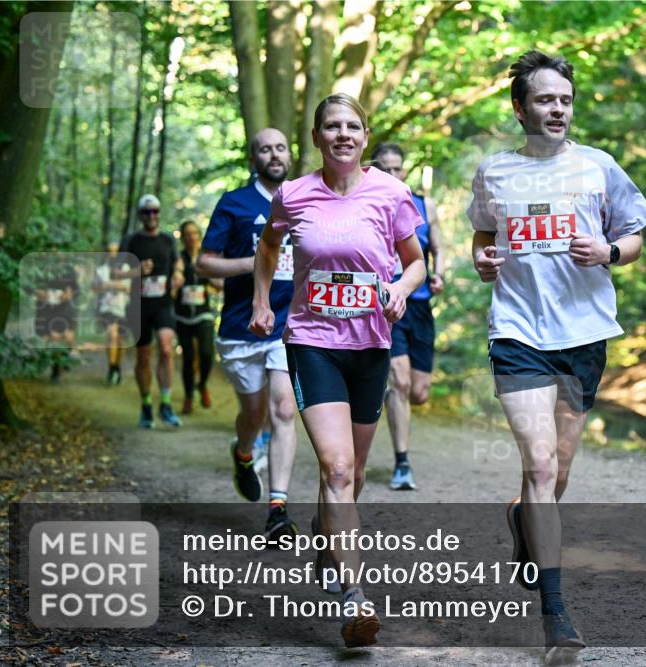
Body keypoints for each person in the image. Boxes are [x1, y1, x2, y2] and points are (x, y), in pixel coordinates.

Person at [467, 50, 646, 661]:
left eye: (565, 100)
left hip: (583, 335)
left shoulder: (599, 167)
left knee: (558, 472)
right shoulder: (494, 172)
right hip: (517, 332)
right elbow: (482, 237)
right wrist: (482, 258)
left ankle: (525, 521)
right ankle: (556, 617)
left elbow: (635, 235)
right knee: (541, 466)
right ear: (520, 107)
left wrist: (610, 253)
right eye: (546, 99)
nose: (558, 109)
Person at [249, 93, 426, 649]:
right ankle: (356, 598)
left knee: (354, 472)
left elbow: (416, 260)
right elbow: (268, 246)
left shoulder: (392, 193)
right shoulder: (294, 194)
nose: (343, 134)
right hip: (312, 341)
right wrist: (261, 299)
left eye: (352, 126)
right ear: (317, 137)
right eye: (332, 126)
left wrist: (399, 287)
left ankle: (328, 547)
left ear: (365, 136)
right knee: (338, 468)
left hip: (371, 343)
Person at [197, 128, 299, 539]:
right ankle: (243, 453)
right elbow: (205, 264)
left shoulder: (306, 198)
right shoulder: (234, 203)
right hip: (241, 328)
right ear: (252, 158)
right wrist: (259, 262)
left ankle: (278, 509)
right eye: (264, 149)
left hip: (289, 325)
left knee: (284, 409)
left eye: (280, 147)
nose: (273, 155)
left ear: (289, 153)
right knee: (253, 415)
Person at [370, 142, 445, 490]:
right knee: (399, 380)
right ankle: (402, 462)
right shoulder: (367, 202)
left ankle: (393, 395)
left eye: (396, 168)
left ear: (404, 170)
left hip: (421, 304)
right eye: (384, 167)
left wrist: (439, 273)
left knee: (419, 392)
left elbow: (438, 248)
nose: (391, 174)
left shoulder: (422, 204)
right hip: (388, 303)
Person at [118, 194, 184, 428]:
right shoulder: (131, 240)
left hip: (164, 303)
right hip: (138, 307)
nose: (152, 216)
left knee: (166, 349)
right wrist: (137, 270)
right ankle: (146, 404)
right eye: (147, 212)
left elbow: (178, 262)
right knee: (144, 356)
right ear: (140, 215)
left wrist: (178, 274)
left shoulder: (167, 240)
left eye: (155, 211)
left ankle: (165, 404)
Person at [175, 221, 217, 414]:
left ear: (199, 236)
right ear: (183, 238)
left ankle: (202, 384)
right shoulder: (178, 259)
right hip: (182, 315)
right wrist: (175, 282)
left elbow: (218, 282)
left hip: (203, 313)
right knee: (188, 357)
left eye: (194, 233)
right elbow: (173, 284)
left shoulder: (206, 258)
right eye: (187, 234)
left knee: (207, 352)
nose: (191, 237)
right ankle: (189, 396)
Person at [34, 253, 79, 382]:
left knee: (61, 336)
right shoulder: (40, 268)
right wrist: (38, 292)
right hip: (46, 308)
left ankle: (57, 366)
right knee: (51, 337)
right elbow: (30, 286)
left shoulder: (69, 270)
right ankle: (58, 364)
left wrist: (68, 295)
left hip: (64, 308)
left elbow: (75, 289)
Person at [94, 243, 133, 385]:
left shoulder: (126, 269)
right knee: (112, 335)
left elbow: (128, 288)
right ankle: (112, 367)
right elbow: (96, 288)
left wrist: (110, 285)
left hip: (123, 308)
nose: (113, 254)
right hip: (107, 308)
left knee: (121, 341)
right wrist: (111, 286)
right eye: (110, 251)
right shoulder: (101, 270)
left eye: (115, 251)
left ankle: (117, 366)